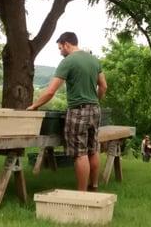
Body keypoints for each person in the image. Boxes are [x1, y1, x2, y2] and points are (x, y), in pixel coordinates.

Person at [27, 32, 107, 192]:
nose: (60, 52)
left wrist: (34, 106)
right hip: (95, 110)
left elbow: (50, 91)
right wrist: (95, 101)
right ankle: (94, 187)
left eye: (60, 48)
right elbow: (103, 86)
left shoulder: (68, 61)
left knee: (80, 153)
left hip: (78, 111)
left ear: (66, 44)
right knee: (93, 149)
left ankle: (82, 194)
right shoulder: (93, 60)